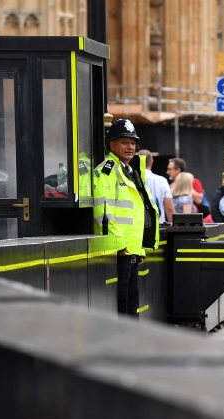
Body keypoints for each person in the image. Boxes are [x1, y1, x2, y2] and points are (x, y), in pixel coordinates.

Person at [93, 119, 160, 317]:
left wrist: (139, 249)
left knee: (131, 300)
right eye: (124, 142)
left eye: (133, 143)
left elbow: (137, 214)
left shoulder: (132, 172)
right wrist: (119, 244)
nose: (130, 147)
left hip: (130, 249)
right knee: (122, 301)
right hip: (119, 249)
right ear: (111, 145)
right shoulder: (107, 171)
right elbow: (103, 210)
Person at [138, 150, 174, 225]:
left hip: (137, 226)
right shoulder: (162, 181)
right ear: (152, 162)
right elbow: (169, 207)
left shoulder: (130, 179)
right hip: (158, 225)